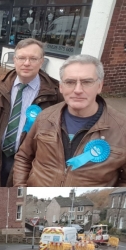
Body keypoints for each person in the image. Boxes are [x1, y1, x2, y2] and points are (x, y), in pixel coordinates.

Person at [13, 54, 126, 187]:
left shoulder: (122, 128)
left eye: (87, 82)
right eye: (70, 82)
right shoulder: (44, 117)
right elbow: (23, 157)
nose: (78, 90)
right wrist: (22, 190)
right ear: (61, 87)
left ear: (100, 86)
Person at [0, 38, 63, 187]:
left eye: (33, 58)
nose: (26, 63)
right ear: (14, 60)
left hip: (33, 161)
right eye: (21, 58)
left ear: (41, 61)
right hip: (0, 157)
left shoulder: (55, 93)